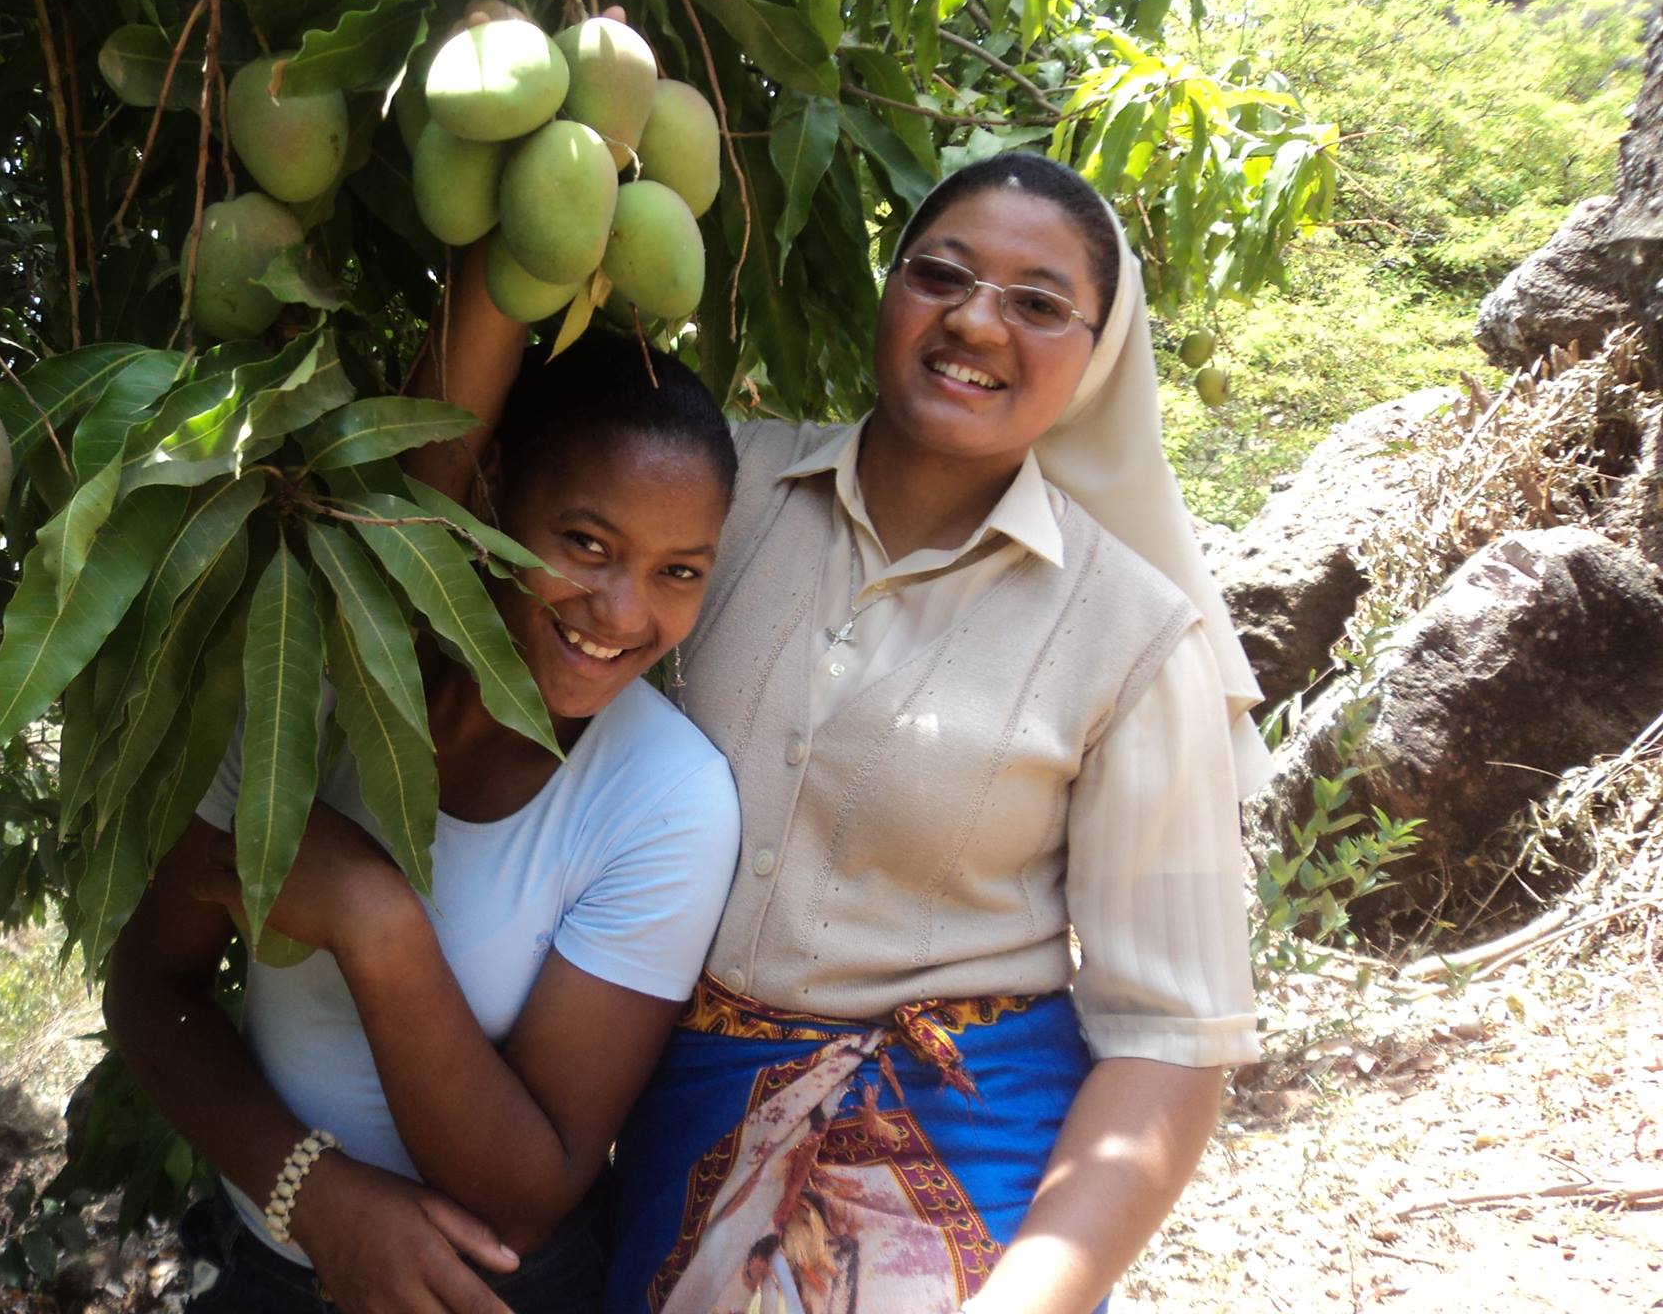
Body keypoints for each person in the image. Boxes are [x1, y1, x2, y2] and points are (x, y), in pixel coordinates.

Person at [416, 152, 1267, 1314]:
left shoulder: (1132, 637)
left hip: (962, 1141)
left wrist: (1029, 1298)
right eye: (942, 274)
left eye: (1036, 302)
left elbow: (1165, 1039)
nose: (976, 320)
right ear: (888, 289)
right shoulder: (715, 495)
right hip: (676, 1117)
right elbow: (444, 494)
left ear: (1095, 352)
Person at [105, 328, 743, 1314]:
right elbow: (151, 981)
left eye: (679, 571)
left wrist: (381, 926)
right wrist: (317, 1198)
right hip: (260, 1259)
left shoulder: (668, 799)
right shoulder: (312, 680)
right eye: (586, 544)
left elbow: (531, 1193)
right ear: (492, 496)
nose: (621, 613)